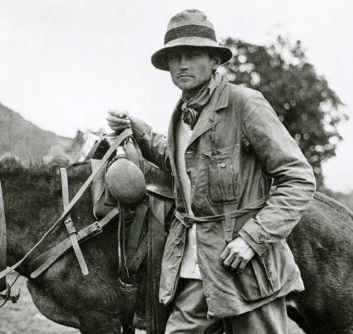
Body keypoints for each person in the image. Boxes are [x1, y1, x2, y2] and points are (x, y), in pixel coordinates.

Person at [107, 9, 316, 334]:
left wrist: (252, 239)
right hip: (193, 268)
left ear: (215, 60)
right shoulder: (181, 114)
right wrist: (136, 128)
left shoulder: (245, 104)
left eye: (192, 55)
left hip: (247, 270)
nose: (182, 65)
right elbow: (180, 163)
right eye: (175, 58)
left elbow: (299, 178)